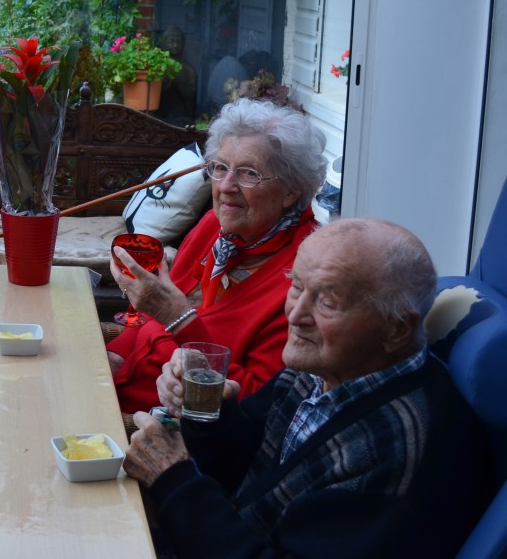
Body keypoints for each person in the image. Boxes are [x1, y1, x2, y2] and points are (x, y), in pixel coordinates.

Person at [125, 218, 495, 558]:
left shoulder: (393, 446)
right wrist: (209, 410)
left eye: (328, 302)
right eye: (296, 287)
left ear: (397, 329)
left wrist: (173, 480)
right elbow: (245, 465)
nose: (295, 314)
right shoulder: (327, 366)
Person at [106, 97, 326, 415]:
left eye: (248, 174)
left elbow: (257, 404)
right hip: (114, 388)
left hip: (156, 422)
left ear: (291, 190)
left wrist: (178, 317)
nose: (225, 186)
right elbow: (153, 314)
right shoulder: (215, 228)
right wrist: (116, 355)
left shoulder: (303, 276)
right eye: (220, 168)